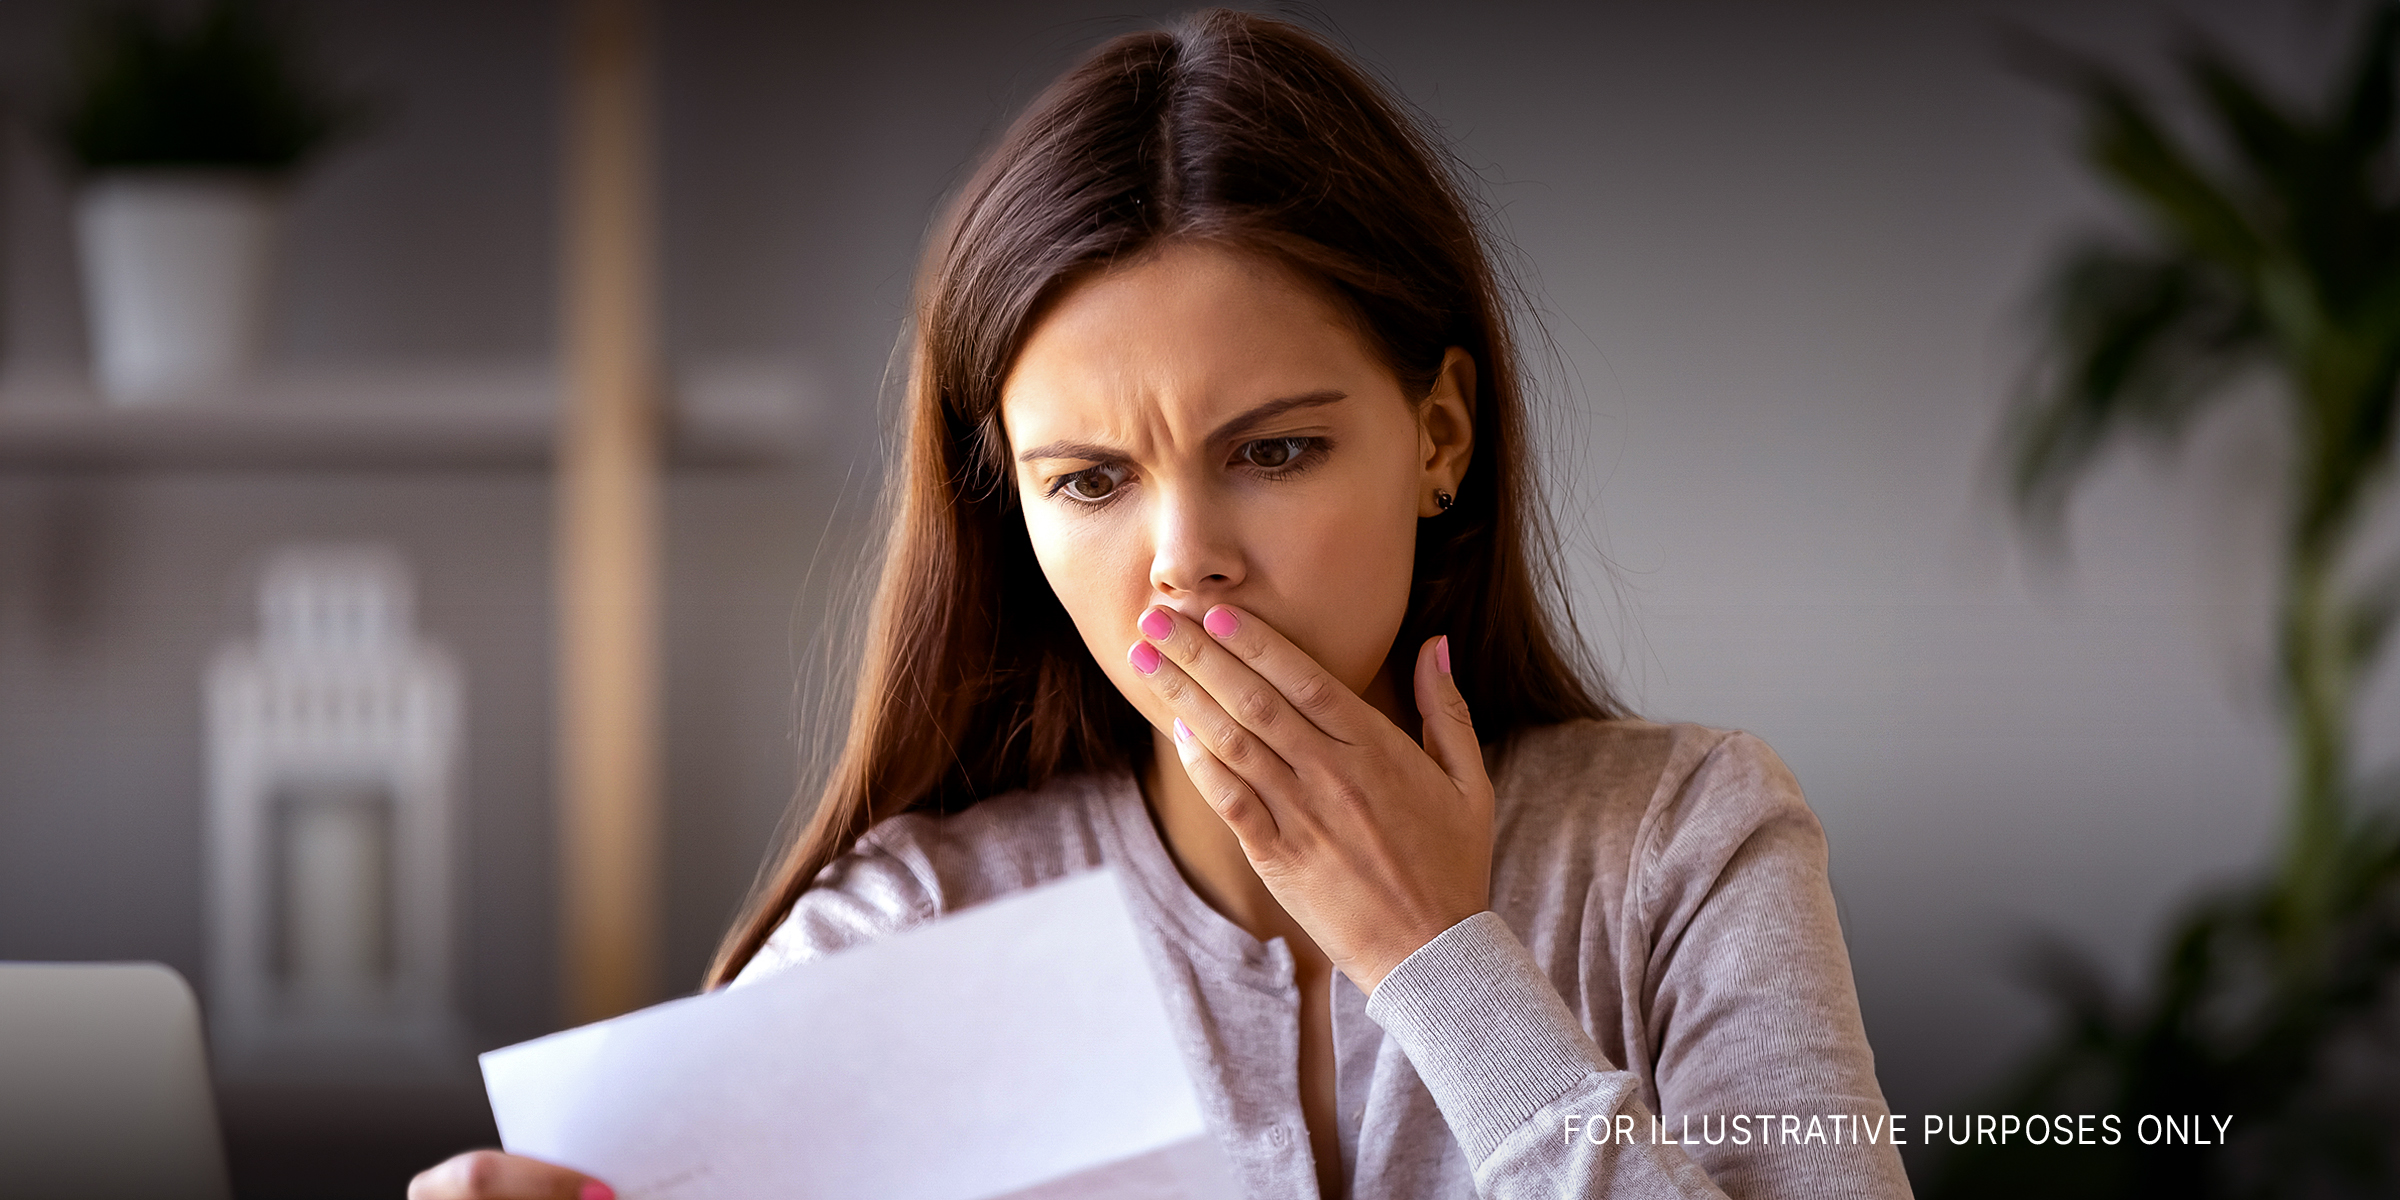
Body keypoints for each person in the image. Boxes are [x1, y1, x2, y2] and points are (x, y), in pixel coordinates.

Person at [412, 10, 1911, 1199]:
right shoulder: (911, 929)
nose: (1186, 558)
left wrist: (1442, 965)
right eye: (1089, 482)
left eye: (1276, 451)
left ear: (1441, 436)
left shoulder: (1682, 848)